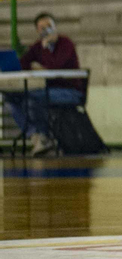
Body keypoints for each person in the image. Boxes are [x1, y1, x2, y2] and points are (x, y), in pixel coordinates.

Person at [6, 13, 86, 156]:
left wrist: (45, 48)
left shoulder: (65, 43)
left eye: (49, 26)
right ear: (37, 31)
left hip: (70, 92)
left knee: (32, 97)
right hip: (48, 91)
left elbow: (54, 66)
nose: (46, 30)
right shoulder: (37, 46)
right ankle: (37, 136)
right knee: (11, 100)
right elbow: (24, 63)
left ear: (55, 27)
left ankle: (44, 135)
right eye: (42, 27)